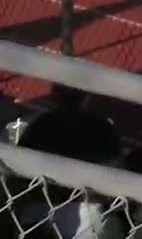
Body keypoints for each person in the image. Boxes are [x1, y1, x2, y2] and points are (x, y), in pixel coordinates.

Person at [17, 85, 125, 239]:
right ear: (86, 96)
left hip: (42, 209)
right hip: (88, 212)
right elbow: (116, 170)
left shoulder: (40, 125)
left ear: (55, 96)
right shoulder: (104, 128)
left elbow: (19, 168)